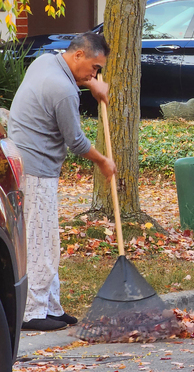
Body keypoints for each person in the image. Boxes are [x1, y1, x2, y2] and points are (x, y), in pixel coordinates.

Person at [8, 32, 117, 331]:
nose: (95, 74)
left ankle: (50, 305)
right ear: (79, 55)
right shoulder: (63, 91)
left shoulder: (46, 62)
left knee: (45, 239)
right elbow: (77, 142)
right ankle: (31, 312)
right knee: (41, 244)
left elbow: (69, 84)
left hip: (24, 162)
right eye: (95, 68)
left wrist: (91, 84)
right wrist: (104, 161)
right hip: (36, 169)